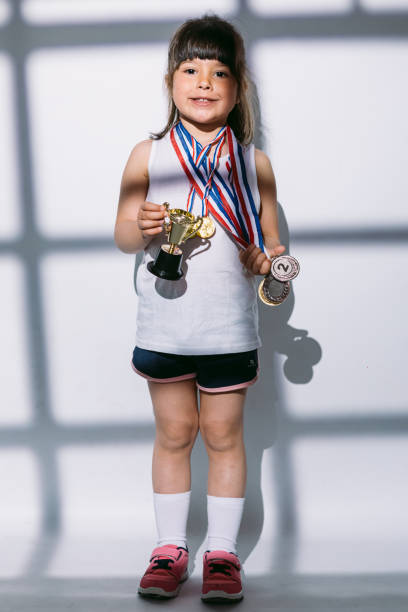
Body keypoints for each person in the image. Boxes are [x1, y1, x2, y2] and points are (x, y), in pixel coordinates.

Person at [114, 14, 285, 602]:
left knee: (223, 434)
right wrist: (140, 225)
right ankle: (169, 548)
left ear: (239, 89)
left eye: (219, 71)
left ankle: (222, 553)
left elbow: (268, 245)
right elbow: (121, 235)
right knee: (174, 431)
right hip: (164, 321)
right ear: (170, 81)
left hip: (229, 326)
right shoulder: (148, 152)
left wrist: (271, 263)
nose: (204, 82)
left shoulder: (252, 161)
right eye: (190, 69)